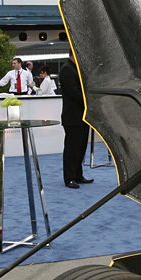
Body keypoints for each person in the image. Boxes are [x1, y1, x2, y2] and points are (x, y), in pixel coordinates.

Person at [59, 50, 92, 188]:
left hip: (82, 116)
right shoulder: (67, 69)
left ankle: (78, 175)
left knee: (81, 147)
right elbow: (74, 93)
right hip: (72, 116)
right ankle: (69, 178)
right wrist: (89, 102)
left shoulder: (76, 68)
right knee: (72, 149)